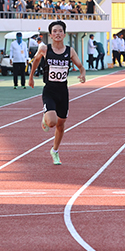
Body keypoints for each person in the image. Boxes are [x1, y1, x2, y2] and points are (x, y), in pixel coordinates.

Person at [28, 20, 86, 165]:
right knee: (52, 122)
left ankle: (55, 150)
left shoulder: (69, 51)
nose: (57, 33)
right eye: (55, 31)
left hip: (63, 91)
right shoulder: (44, 49)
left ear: (64, 34)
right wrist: (31, 77)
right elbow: (35, 61)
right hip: (49, 90)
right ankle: (46, 116)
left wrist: (82, 73)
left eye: (60, 31)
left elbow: (80, 65)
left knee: (61, 124)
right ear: (51, 35)